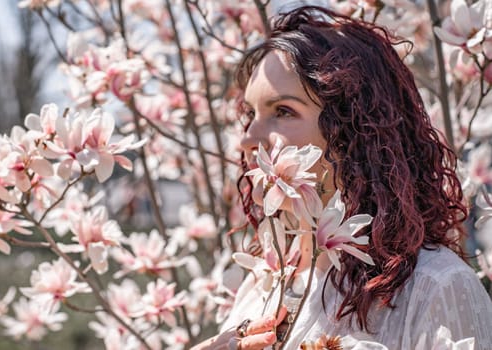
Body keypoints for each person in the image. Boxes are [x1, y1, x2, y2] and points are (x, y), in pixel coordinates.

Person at [192, 6, 492, 350]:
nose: (248, 138)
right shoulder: (263, 283)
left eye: (283, 111)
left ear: (354, 131)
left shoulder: (436, 287)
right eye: (250, 113)